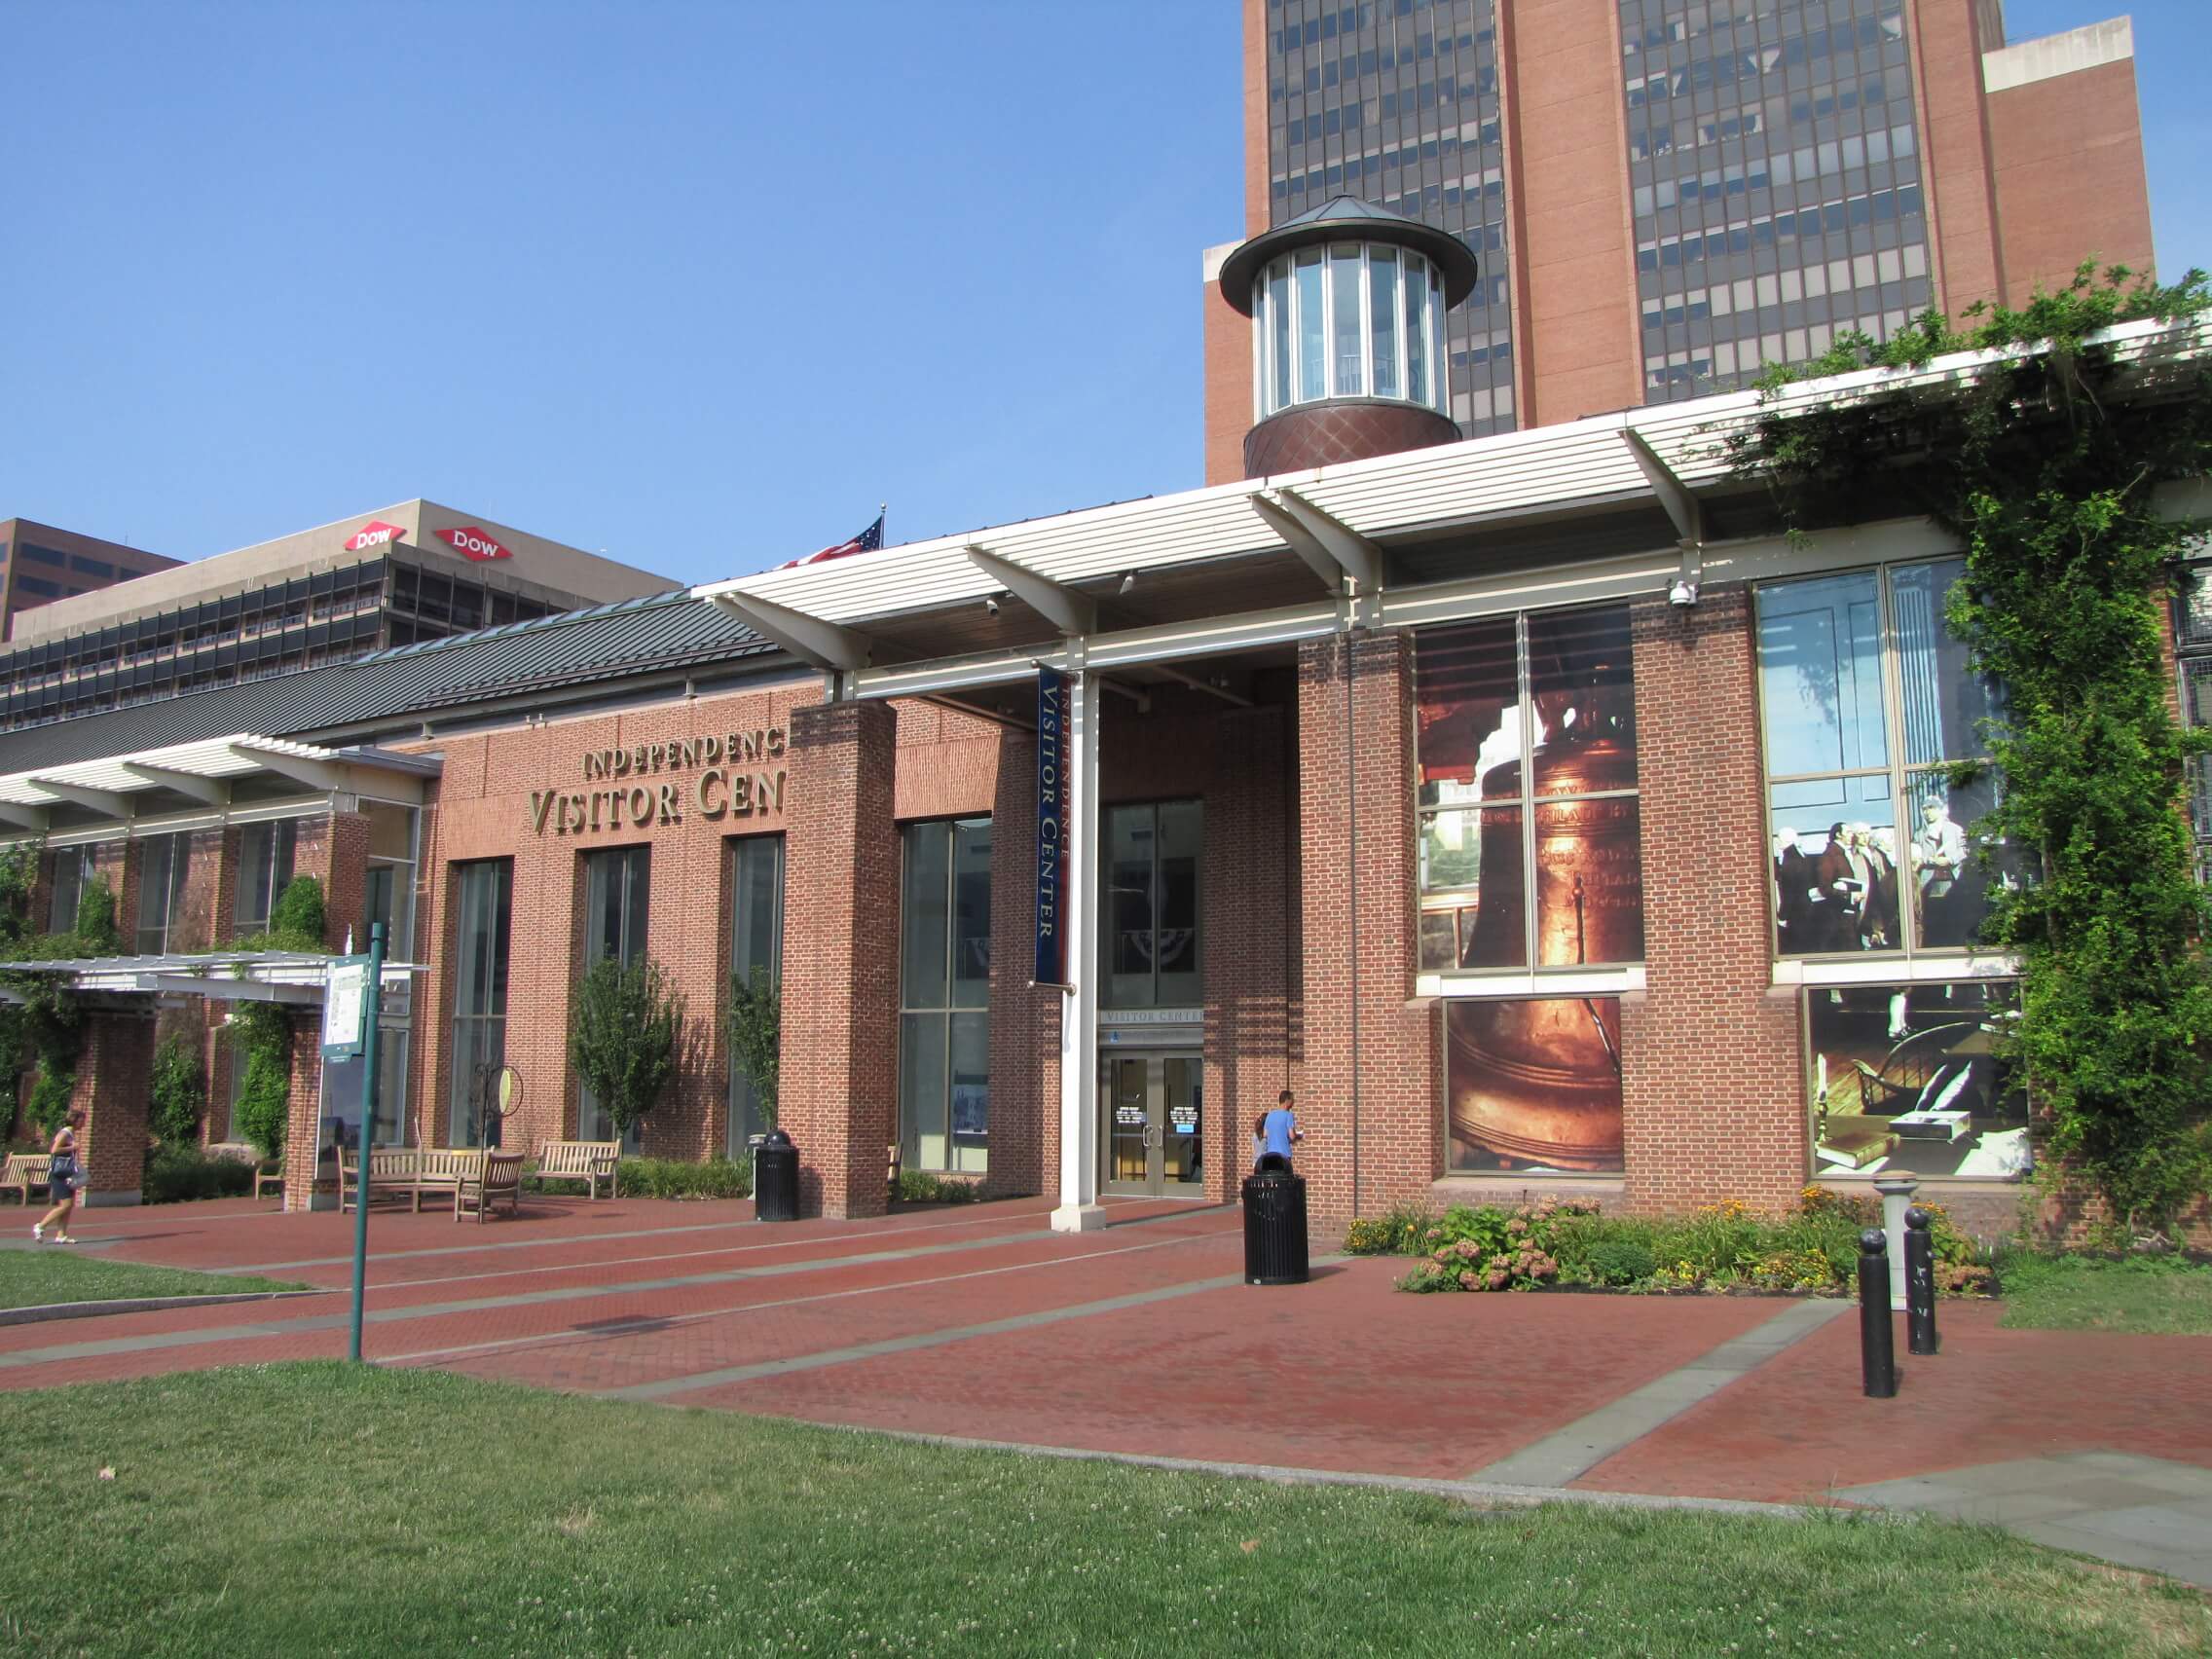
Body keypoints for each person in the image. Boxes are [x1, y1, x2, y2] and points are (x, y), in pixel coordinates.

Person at [32, 1110, 85, 1244]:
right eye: (81, 1119)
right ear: (74, 1120)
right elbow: (54, 1150)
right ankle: (40, 1226)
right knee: (66, 1205)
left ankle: (61, 1235)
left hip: (67, 1173)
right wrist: (73, 1147)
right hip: (59, 1174)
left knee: (68, 1205)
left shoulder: (71, 1133)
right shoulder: (65, 1133)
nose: (83, 1122)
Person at [1259, 1089, 1303, 1167]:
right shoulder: (1288, 1115)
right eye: (1292, 1100)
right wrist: (1298, 1136)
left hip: (1271, 1155)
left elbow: (1265, 1134)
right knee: (1285, 1178)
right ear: (1287, 1101)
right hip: (1284, 1154)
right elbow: (1292, 1136)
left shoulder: (1270, 1115)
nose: (1293, 1103)